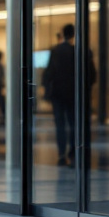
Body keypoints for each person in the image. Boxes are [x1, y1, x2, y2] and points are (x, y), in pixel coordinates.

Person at [41, 24, 96, 167]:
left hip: (58, 94)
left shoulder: (56, 51)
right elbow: (91, 75)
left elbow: (49, 73)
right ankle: (72, 151)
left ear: (63, 34)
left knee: (60, 124)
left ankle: (61, 153)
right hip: (73, 94)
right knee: (73, 123)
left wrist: (47, 89)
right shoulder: (80, 51)